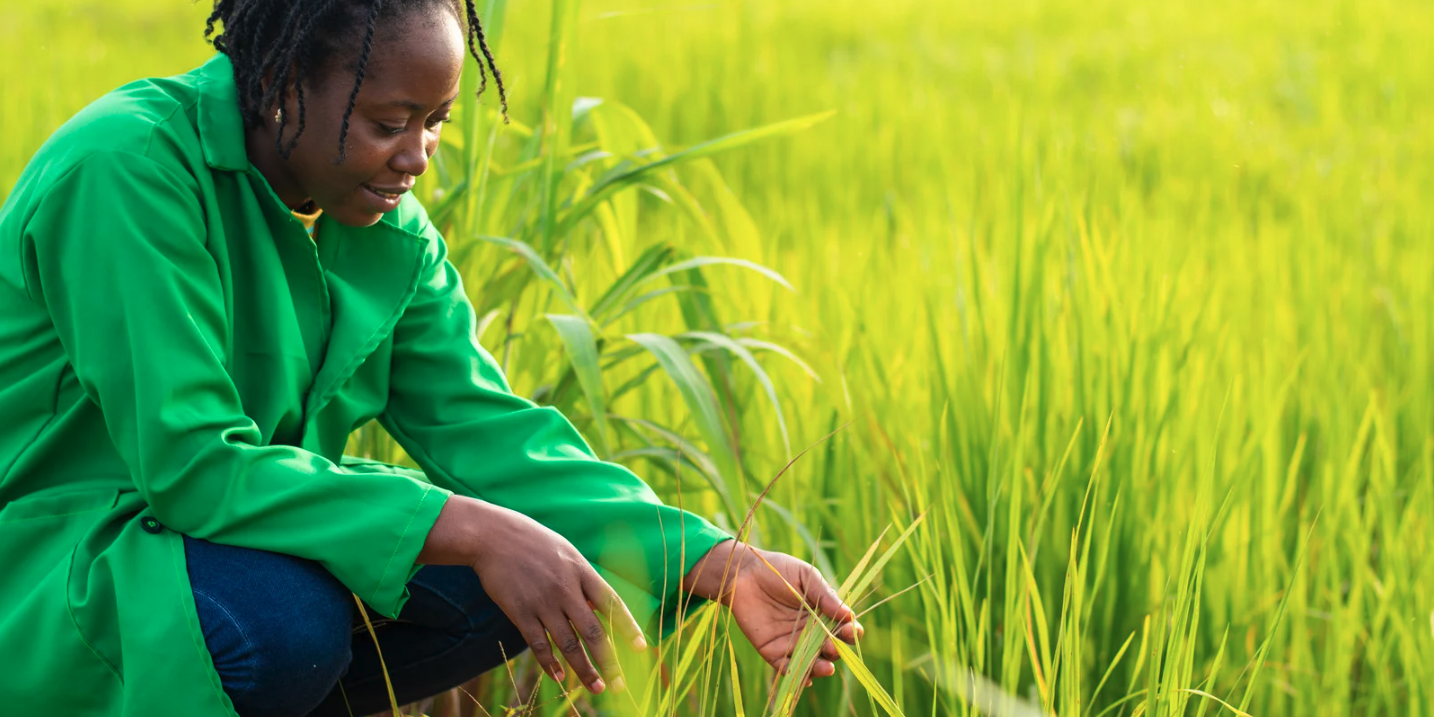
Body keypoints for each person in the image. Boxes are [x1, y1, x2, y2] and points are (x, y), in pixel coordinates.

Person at [0, 1, 859, 715]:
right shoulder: (128, 168)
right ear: (276, 84)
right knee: (289, 620)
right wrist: (472, 526)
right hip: (60, 563)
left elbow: (490, 431)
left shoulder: (384, 235)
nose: (416, 158)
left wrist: (715, 559)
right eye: (387, 123)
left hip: (210, 542)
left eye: (437, 122)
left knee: (538, 570)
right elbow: (190, 464)